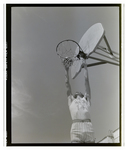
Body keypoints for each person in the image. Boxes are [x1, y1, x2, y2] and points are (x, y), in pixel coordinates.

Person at [62, 56, 95, 143]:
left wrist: (85, 67)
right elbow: (67, 84)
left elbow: (86, 81)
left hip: (88, 126)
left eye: (79, 92)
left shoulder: (86, 99)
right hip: (76, 127)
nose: (77, 92)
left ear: (82, 94)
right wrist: (66, 69)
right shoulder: (71, 100)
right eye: (75, 92)